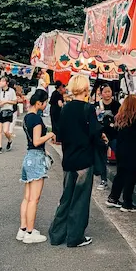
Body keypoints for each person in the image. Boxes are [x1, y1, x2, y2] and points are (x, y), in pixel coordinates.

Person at [49, 75, 106, 248]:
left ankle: (57, 234)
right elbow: (94, 133)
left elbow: (60, 132)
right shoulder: (87, 109)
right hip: (84, 159)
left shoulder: (65, 108)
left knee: (66, 197)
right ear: (86, 88)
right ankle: (75, 237)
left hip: (68, 158)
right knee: (80, 199)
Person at [19, 89, 54, 244]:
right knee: (34, 199)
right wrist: (51, 134)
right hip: (37, 158)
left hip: (28, 158)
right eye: (45, 102)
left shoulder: (27, 117)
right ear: (39, 103)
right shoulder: (37, 119)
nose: (45, 105)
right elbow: (37, 141)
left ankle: (23, 229)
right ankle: (30, 232)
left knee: (27, 198)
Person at [96, 84, 120, 190]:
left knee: (119, 155)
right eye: (105, 92)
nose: (107, 94)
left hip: (114, 134)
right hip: (101, 135)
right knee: (102, 158)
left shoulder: (116, 105)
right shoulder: (97, 105)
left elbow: (120, 119)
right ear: (101, 94)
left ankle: (120, 179)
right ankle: (103, 180)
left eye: (109, 91)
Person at [0, 76, 17, 153]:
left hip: (8, 112)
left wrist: (6, 102)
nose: (1, 82)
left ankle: (9, 140)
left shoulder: (12, 91)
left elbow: (15, 101)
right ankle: (0, 147)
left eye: (3, 81)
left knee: (6, 131)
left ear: (7, 83)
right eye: (0, 81)